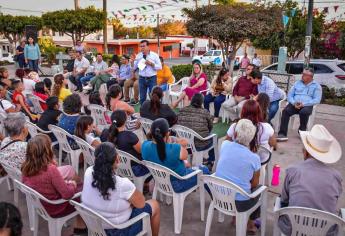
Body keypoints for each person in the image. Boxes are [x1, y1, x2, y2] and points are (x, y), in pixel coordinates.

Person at [81, 142, 160, 236]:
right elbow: (141, 203)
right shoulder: (122, 184)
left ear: (96, 159)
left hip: (94, 226)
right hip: (118, 230)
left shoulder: (88, 171)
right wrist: (128, 204)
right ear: (117, 160)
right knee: (154, 205)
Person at [279, 124, 342, 236]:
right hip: (325, 231)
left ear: (306, 152)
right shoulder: (336, 177)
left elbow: (284, 199)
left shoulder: (293, 171)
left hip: (293, 228)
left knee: (281, 204)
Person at [21, 134, 87, 235]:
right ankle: (80, 228)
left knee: (78, 186)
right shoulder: (49, 169)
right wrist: (72, 184)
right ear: (46, 150)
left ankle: (80, 226)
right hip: (56, 207)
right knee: (85, 193)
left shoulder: (25, 167)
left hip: (42, 203)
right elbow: (67, 194)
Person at [215, 119, 261, 234]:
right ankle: (250, 224)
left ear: (235, 134)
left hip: (219, 196)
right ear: (251, 138)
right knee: (259, 189)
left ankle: (237, 218)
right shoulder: (254, 158)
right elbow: (254, 184)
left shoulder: (225, 145)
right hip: (240, 204)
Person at [142, 118, 209, 193]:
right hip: (178, 184)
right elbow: (185, 155)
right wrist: (177, 143)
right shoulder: (175, 148)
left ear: (151, 132)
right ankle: (216, 199)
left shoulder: (144, 145)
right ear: (167, 133)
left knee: (186, 164)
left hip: (159, 181)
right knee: (204, 169)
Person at [277, 68, 322, 141]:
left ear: (310, 76)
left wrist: (303, 104)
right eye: (302, 74)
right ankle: (282, 133)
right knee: (285, 111)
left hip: (307, 105)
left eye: (304, 74)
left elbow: (317, 100)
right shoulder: (297, 83)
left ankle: (302, 130)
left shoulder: (316, 86)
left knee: (304, 112)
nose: (302, 76)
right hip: (295, 104)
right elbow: (290, 95)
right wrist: (294, 102)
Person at [106, 110, 150, 178]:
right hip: (134, 169)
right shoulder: (129, 136)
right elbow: (142, 152)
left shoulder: (107, 134)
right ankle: (146, 184)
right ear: (125, 121)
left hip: (118, 167)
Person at [177, 93, 215, 167]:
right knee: (213, 137)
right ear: (202, 102)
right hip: (199, 144)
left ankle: (197, 159)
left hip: (185, 142)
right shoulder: (205, 112)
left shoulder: (182, 110)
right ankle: (210, 161)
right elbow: (210, 127)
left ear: (191, 100)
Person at [132, 40, 162, 104]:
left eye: (143, 46)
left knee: (154, 96)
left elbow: (160, 67)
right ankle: (143, 112)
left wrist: (151, 64)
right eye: (141, 46)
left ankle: (154, 112)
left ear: (148, 46)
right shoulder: (138, 56)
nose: (142, 48)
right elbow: (134, 68)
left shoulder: (154, 55)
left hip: (152, 78)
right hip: (142, 78)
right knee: (142, 97)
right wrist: (132, 62)